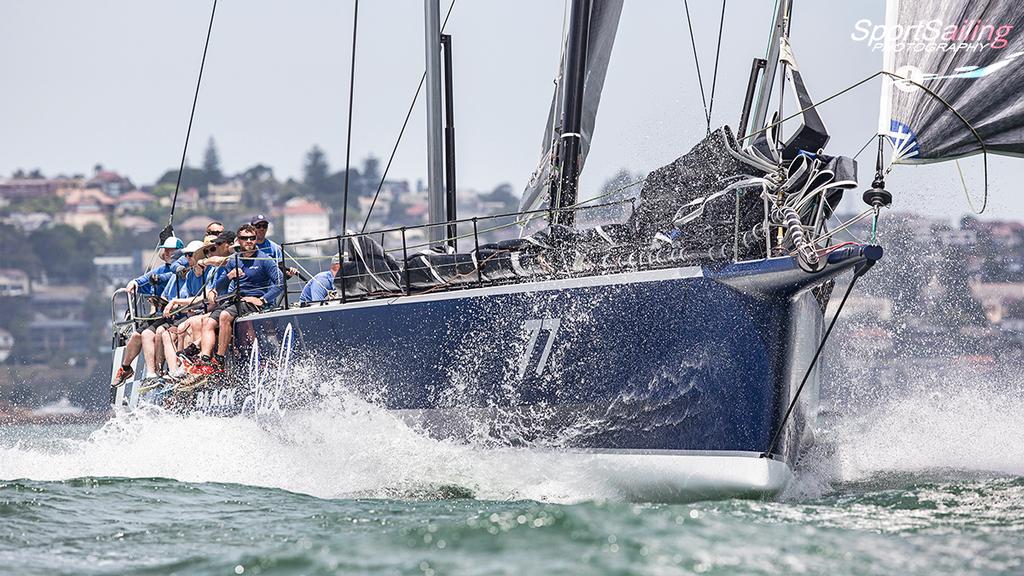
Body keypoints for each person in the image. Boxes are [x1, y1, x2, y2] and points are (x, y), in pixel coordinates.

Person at [192, 224, 283, 374]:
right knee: (207, 321)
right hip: (236, 300)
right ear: (238, 241)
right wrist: (229, 276)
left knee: (225, 316)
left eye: (252, 238)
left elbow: (280, 284)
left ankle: (219, 360)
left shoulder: (265, 259)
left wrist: (264, 300)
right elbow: (220, 286)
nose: (249, 241)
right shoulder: (234, 260)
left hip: (252, 301)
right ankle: (205, 360)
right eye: (244, 238)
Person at [114, 236, 186, 385]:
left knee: (158, 333)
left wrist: (157, 279)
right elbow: (143, 280)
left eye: (171, 250)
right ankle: (127, 369)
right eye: (165, 250)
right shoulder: (161, 269)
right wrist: (134, 283)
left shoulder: (181, 271)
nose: (167, 253)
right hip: (161, 314)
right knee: (136, 335)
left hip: (174, 316)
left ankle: (159, 371)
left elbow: (167, 276)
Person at [158, 239, 214, 379]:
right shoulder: (190, 275)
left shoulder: (210, 271)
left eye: (190, 254)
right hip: (195, 312)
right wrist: (184, 308)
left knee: (186, 326)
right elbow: (190, 299)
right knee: (168, 333)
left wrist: (175, 301)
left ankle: (192, 366)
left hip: (208, 311)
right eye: (187, 255)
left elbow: (204, 297)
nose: (187, 257)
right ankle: (176, 370)